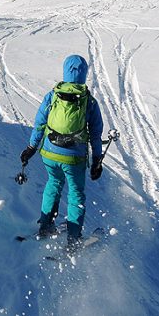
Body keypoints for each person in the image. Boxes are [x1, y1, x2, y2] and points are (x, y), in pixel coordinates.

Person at [19, 54, 104, 248]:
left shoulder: (52, 96)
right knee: (75, 194)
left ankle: (46, 226)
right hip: (74, 158)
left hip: (49, 154)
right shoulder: (89, 102)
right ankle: (73, 239)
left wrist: (31, 148)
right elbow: (96, 135)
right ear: (85, 74)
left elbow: (39, 124)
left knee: (53, 183)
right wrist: (97, 160)